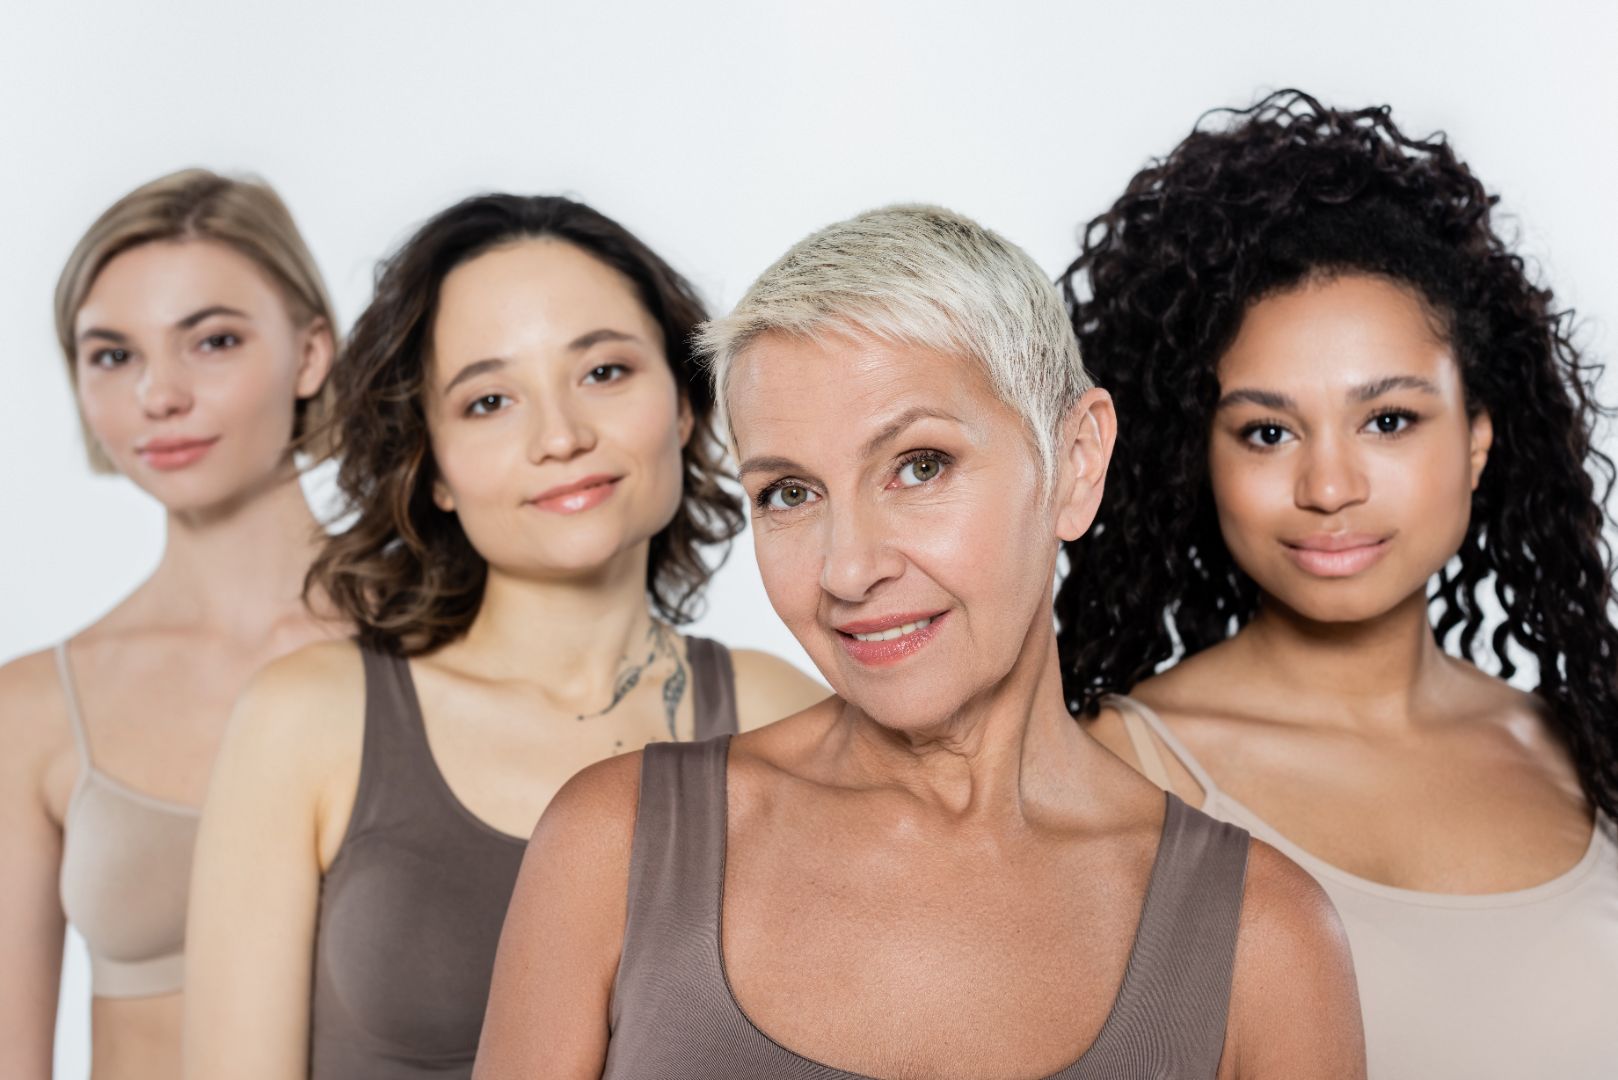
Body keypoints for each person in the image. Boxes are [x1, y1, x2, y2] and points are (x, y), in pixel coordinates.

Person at [474, 203, 1365, 1079]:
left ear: (1076, 463)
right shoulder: (615, 845)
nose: (849, 569)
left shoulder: (1264, 942)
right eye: (789, 492)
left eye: (920, 466)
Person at [182, 193, 825, 1080]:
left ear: (683, 403)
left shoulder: (783, 714)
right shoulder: (308, 719)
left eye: (603, 372)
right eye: (489, 400)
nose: (560, 436)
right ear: (433, 465)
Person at [1058, 90, 1618, 1079]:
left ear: (1478, 439)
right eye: (1267, 432)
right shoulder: (1122, 774)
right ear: (1199, 457)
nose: (1328, 488)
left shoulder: (1584, 747)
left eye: (1389, 420)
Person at [0, 169, 343, 1080]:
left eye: (213, 341)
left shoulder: (446, 642)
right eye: (113, 355)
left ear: (312, 353)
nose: (159, 396)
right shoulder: (33, 706)